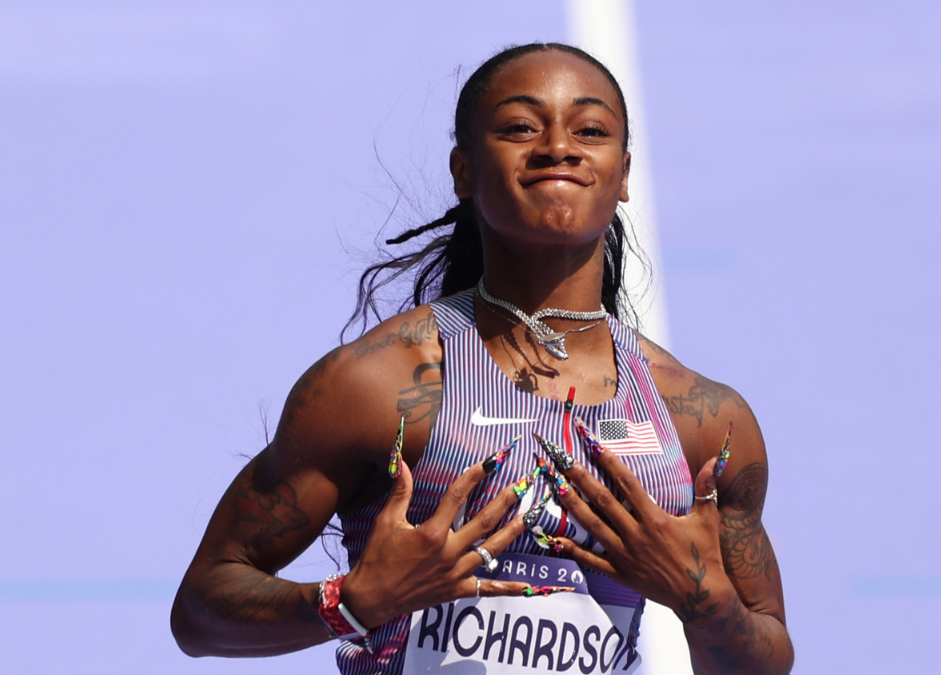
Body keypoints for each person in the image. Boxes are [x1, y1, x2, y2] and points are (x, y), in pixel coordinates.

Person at [171, 42, 793, 675]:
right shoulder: (376, 385)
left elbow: (765, 657)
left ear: (624, 173)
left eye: (590, 130)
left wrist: (706, 604)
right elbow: (199, 610)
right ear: (463, 171)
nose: (558, 147)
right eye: (521, 127)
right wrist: (352, 603)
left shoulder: (700, 420)